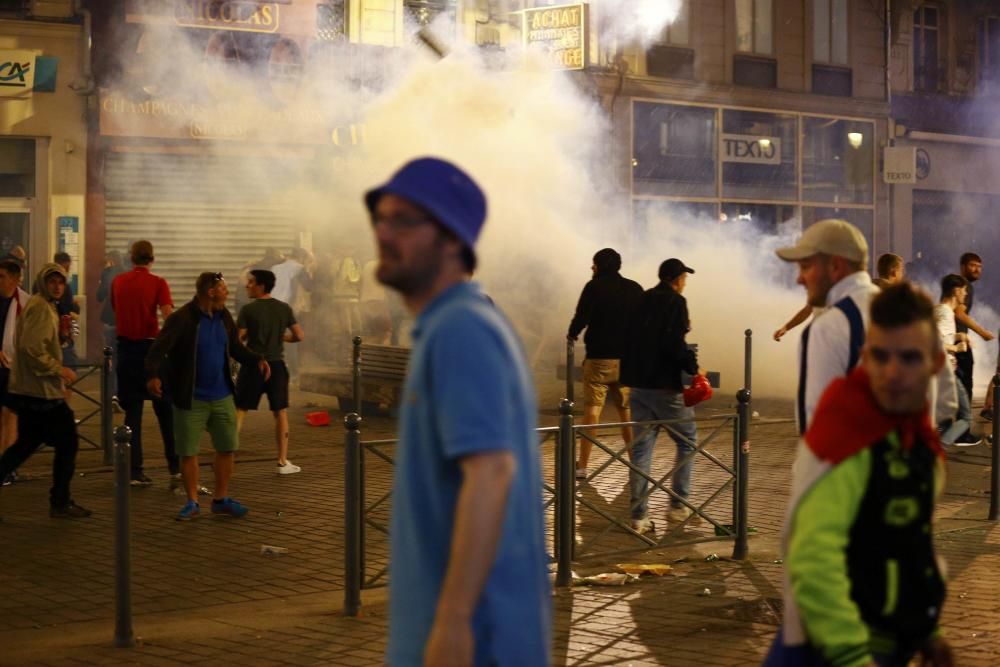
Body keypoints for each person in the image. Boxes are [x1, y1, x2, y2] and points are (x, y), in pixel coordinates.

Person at [367, 158, 550, 666]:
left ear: (451, 241)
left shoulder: (461, 329)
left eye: (403, 221)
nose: (383, 233)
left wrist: (453, 621)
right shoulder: (453, 326)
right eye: (380, 219)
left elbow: (491, 472)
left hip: (470, 643)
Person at [764, 283, 953, 667]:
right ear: (864, 356)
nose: (892, 372)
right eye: (879, 356)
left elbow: (911, 544)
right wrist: (851, 655)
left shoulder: (920, 442)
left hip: (887, 644)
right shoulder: (846, 438)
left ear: (935, 362)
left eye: (909, 357)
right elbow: (813, 559)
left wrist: (927, 632)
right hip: (831, 650)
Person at [146, 272, 269, 521]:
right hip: (191, 396)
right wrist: (153, 376)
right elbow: (157, 350)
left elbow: (234, 347)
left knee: (227, 448)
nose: (228, 292)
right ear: (210, 292)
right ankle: (192, 501)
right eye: (223, 288)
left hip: (222, 394)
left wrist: (257, 359)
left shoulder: (224, 317)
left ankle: (220, 499)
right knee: (188, 451)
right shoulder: (182, 319)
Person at [0, 264, 91, 518]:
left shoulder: (45, 305)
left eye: (61, 282)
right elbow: (32, 350)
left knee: (24, 446)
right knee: (68, 442)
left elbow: (39, 344)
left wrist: (60, 339)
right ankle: (60, 501)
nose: (58, 286)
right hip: (40, 392)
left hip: (31, 390)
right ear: (43, 282)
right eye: (52, 282)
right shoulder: (41, 307)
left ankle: (60, 499)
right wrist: (59, 370)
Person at [620, 258, 701, 533]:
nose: (685, 283)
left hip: (639, 386)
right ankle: (679, 505)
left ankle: (639, 517)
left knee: (642, 449)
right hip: (665, 387)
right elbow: (673, 344)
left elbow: (632, 339)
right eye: (684, 278)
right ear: (677, 279)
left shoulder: (641, 300)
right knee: (687, 440)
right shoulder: (676, 303)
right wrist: (691, 365)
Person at [775, 219, 879, 434]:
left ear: (835, 266)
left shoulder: (828, 328)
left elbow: (817, 432)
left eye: (806, 267)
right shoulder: (910, 313)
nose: (799, 280)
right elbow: (945, 402)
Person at [566, 247, 644, 479]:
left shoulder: (594, 287)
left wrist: (572, 333)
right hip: (627, 361)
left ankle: (582, 466)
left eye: (594, 264)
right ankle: (637, 464)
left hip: (599, 359)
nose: (592, 267)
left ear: (601, 266)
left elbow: (582, 316)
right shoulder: (634, 288)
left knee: (592, 411)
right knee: (626, 412)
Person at [111, 241, 182, 488]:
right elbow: (168, 317)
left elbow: (114, 309)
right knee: (165, 410)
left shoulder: (118, 281)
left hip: (126, 352)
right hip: (152, 351)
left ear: (131, 258)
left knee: (133, 414)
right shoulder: (158, 283)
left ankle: (135, 471)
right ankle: (175, 466)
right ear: (152, 258)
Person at [235, 269, 304, 474]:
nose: (247, 285)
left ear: (261, 285)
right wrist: (282, 338)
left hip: (253, 365)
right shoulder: (283, 308)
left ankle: (226, 455)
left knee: (240, 410)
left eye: (251, 282)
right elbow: (299, 335)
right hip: (277, 366)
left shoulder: (248, 310)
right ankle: (282, 462)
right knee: (280, 412)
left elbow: (238, 340)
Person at [934, 274, 981, 447]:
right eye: (964, 290)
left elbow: (942, 336)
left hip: (941, 371)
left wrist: (959, 335)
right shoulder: (946, 313)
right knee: (966, 417)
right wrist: (956, 348)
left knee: (945, 420)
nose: (966, 294)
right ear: (956, 290)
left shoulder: (940, 310)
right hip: (946, 372)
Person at [951, 253, 995, 419]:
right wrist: (982, 332)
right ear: (962, 266)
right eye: (973, 265)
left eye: (979, 266)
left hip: (953, 341)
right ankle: (962, 432)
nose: (977, 270)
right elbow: (959, 314)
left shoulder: (957, 285)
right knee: (964, 385)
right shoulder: (965, 286)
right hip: (959, 343)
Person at [0, 260, 28, 486]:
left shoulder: (26, 303)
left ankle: (7, 466)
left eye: (1, 276)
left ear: (14, 278)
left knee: (10, 417)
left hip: (14, 369)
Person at [96, 249, 126, 402]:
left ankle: (111, 393)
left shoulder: (108, 273)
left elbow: (99, 296)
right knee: (121, 358)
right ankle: (120, 393)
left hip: (110, 321)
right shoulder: (127, 274)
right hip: (124, 322)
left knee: (110, 358)